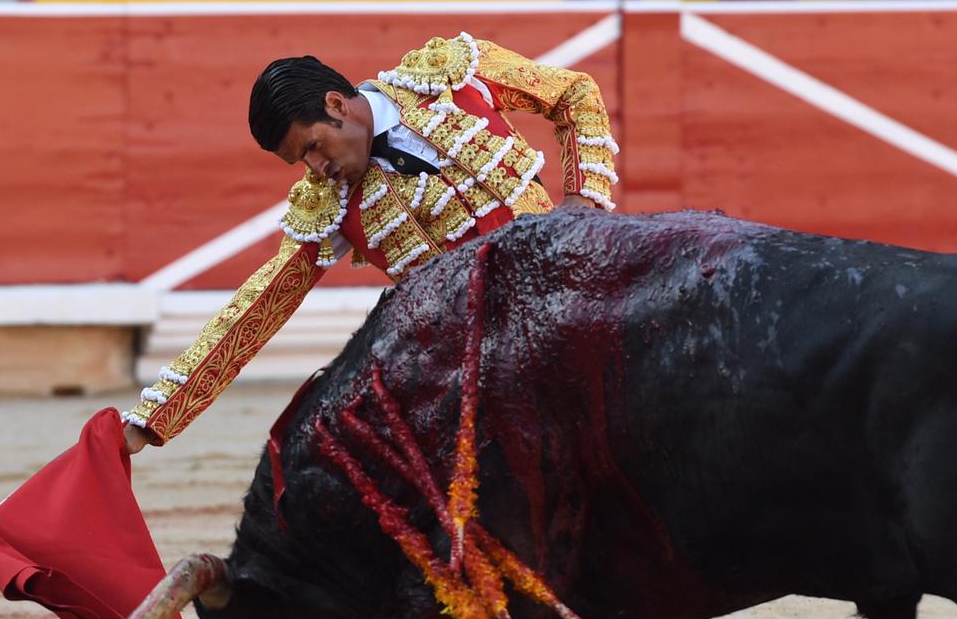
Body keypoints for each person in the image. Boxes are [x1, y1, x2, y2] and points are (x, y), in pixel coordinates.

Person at [121, 33, 619, 448]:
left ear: (337, 104)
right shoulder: (328, 205)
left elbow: (573, 94)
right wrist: (151, 421)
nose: (316, 168)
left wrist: (584, 204)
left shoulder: (449, 74)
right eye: (301, 161)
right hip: (480, 369)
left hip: (571, 298)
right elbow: (256, 311)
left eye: (313, 146)